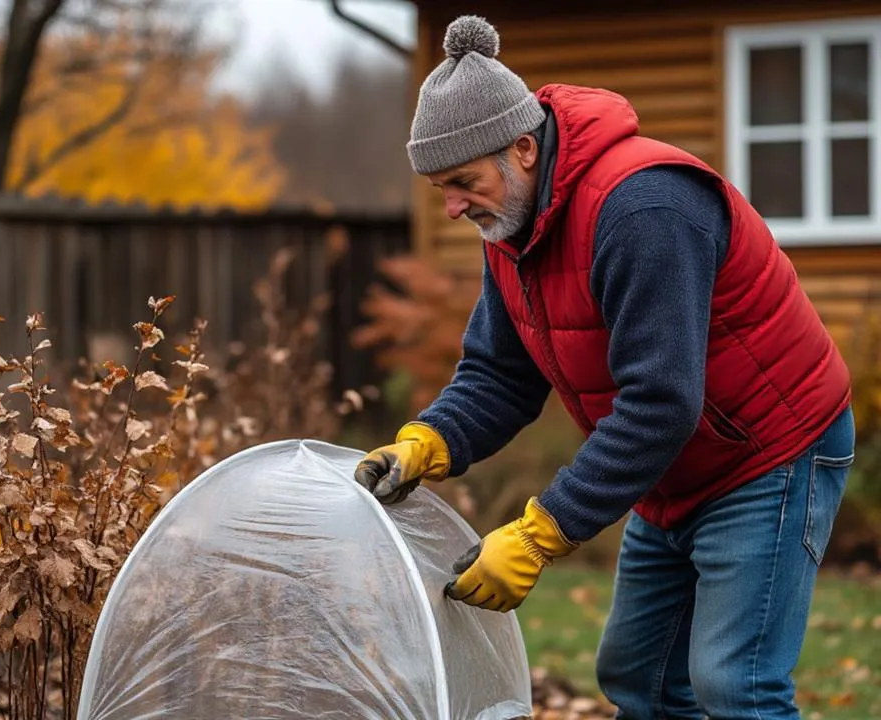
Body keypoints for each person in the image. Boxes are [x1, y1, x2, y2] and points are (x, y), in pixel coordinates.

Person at [352, 13, 856, 720]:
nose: (454, 206)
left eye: (462, 182)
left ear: (522, 149)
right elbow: (502, 373)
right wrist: (429, 441)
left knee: (732, 686)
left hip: (767, 452)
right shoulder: (512, 224)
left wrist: (539, 531)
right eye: (441, 189)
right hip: (675, 463)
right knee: (639, 680)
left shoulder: (644, 209)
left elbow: (660, 403)